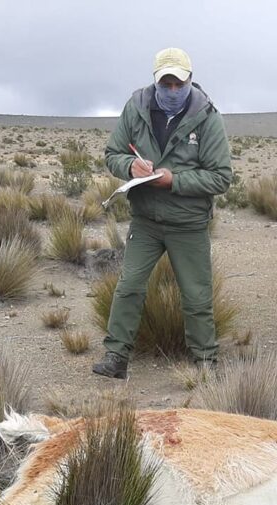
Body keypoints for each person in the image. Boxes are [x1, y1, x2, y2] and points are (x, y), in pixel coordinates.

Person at [93, 47, 232, 379]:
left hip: (188, 223)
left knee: (197, 295)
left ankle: (205, 362)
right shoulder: (137, 108)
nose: (172, 91)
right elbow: (112, 153)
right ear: (155, 80)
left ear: (190, 81)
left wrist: (174, 181)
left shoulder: (208, 118)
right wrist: (130, 165)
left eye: (178, 84)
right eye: (166, 83)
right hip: (146, 221)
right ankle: (116, 356)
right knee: (129, 286)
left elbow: (221, 176)